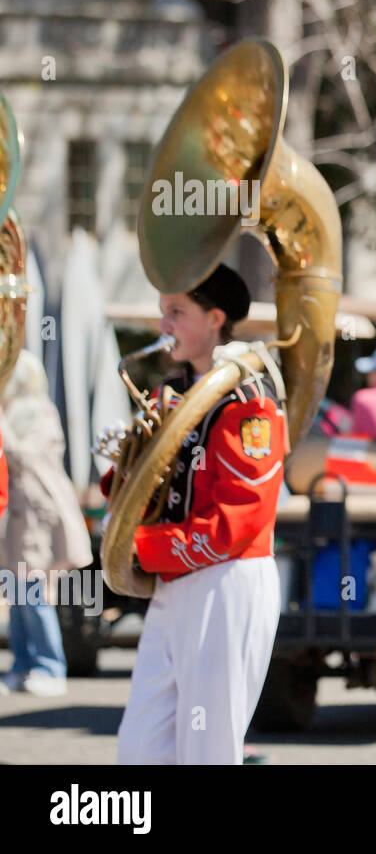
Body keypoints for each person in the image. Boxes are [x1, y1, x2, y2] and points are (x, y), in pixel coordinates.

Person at [104, 263, 283, 764]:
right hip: (176, 581)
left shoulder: (249, 403)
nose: (164, 325)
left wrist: (138, 547)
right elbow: (153, 489)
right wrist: (123, 468)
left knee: (207, 751)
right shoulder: (171, 393)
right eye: (163, 312)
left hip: (225, 581)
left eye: (177, 312)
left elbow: (238, 521)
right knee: (139, 749)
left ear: (215, 318)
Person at [0, 351, 87, 697]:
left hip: (41, 516)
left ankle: (50, 666)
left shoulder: (38, 412)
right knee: (18, 596)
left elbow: (23, 456)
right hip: (20, 517)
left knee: (34, 594)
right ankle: (23, 665)